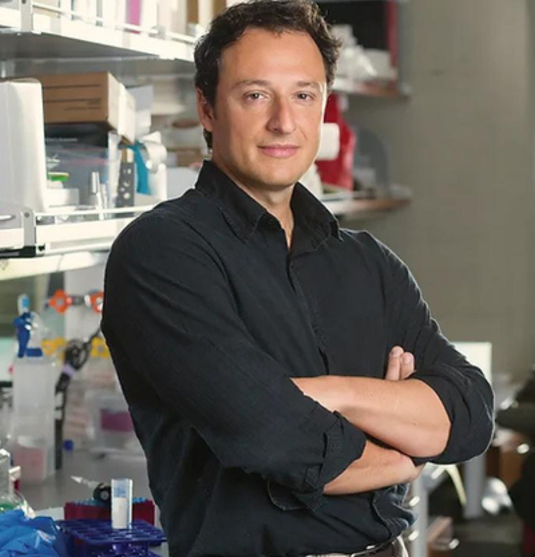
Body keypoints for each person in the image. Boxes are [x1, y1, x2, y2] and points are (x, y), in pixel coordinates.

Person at [100, 1, 495, 556]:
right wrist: (401, 443)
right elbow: (270, 436)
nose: (284, 121)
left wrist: (328, 394)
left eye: (304, 95)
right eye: (255, 95)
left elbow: (470, 415)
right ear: (207, 108)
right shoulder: (162, 253)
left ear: (323, 106)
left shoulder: (367, 262)